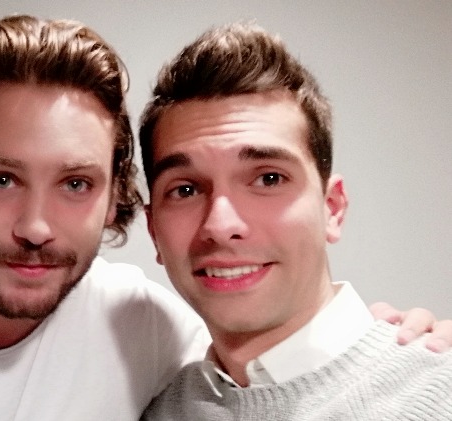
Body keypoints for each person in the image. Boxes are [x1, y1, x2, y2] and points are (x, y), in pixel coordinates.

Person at [0, 15, 447, 421]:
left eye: (74, 183)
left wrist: (407, 345)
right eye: (2, 178)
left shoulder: (142, 326)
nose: (35, 225)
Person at [139, 23, 452, 420]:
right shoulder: (151, 407)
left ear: (332, 208)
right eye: (185, 190)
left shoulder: (438, 393)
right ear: (153, 231)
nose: (220, 225)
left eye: (269, 179)